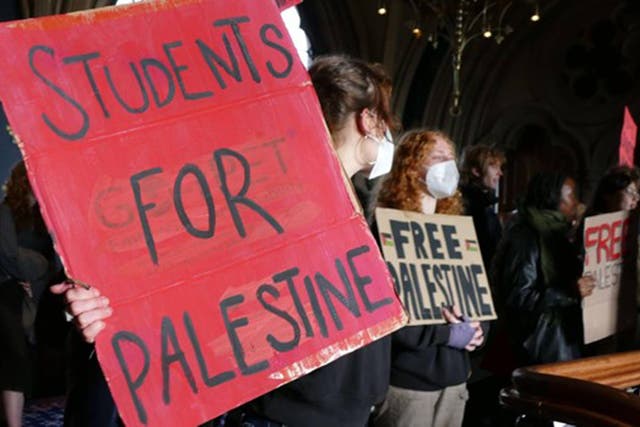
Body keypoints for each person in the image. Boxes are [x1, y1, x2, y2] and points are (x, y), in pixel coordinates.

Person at [52, 54, 400, 427]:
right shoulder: (272, 193)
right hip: (281, 411)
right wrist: (98, 309)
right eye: (386, 117)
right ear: (368, 119)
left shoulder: (348, 204)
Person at [372, 129, 485, 427]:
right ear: (411, 166)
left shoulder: (456, 231)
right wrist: (446, 334)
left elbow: (479, 296)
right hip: (409, 387)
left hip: (455, 384)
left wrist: (478, 329)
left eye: (451, 158)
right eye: (438, 158)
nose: (448, 165)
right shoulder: (386, 230)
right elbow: (385, 317)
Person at [492, 172, 595, 366]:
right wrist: (567, 291)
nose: (577, 202)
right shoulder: (527, 237)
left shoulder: (557, 233)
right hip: (541, 343)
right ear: (552, 199)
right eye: (572, 196)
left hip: (560, 338)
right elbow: (518, 297)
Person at [0, 161, 52, 427]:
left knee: (20, 359)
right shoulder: (7, 210)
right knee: (15, 359)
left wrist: (34, 276)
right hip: (7, 291)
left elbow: (49, 261)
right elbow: (7, 254)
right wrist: (28, 271)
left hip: (32, 295)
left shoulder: (43, 217)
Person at [460, 144, 505, 270]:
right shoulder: (464, 205)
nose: (500, 173)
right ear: (476, 171)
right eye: (494, 167)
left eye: (500, 168)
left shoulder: (486, 206)